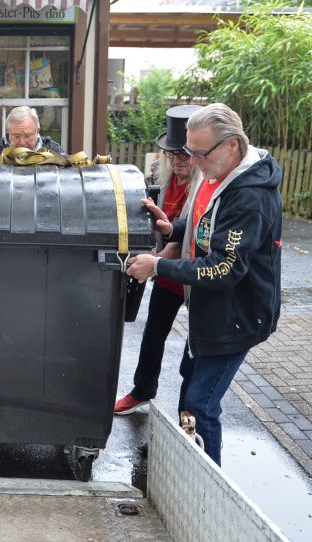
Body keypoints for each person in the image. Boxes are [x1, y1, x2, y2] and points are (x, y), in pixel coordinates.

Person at [126, 103, 282, 466]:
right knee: (189, 380)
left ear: (231, 145)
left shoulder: (249, 196)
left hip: (237, 316)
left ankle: (209, 491)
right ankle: (187, 460)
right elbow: (207, 230)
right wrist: (173, 228)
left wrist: (159, 265)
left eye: (199, 153)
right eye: (188, 152)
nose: (192, 162)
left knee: (201, 403)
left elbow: (224, 267)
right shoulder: (220, 174)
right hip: (211, 310)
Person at [114, 105, 203, 416]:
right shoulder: (165, 182)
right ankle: (143, 390)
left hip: (198, 277)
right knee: (153, 334)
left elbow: (185, 240)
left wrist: (151, 262)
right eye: (172, 155)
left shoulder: (207, 187)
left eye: (183, 155)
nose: (177, 161)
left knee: (195, 349)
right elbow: (165, 230)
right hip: (167, 275)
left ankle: (188, 413)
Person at [0, 105, 66, 155]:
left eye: (28, 136)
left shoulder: (52, 150)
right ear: (8, 132)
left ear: (37, 131)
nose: (22, 143)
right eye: (17, 136)